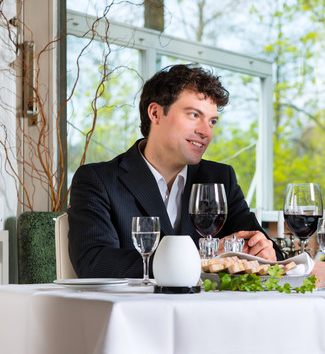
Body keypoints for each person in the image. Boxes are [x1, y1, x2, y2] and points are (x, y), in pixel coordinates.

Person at [68, 64, 283, 278]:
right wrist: (195, 258)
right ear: (155, 113)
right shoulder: (98, 181)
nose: (205, 131)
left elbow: (271, 252)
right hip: (135, 311)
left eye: (212, 121)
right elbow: (94, 262)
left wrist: (264, 250)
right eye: (194, 115)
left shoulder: (221, 179)